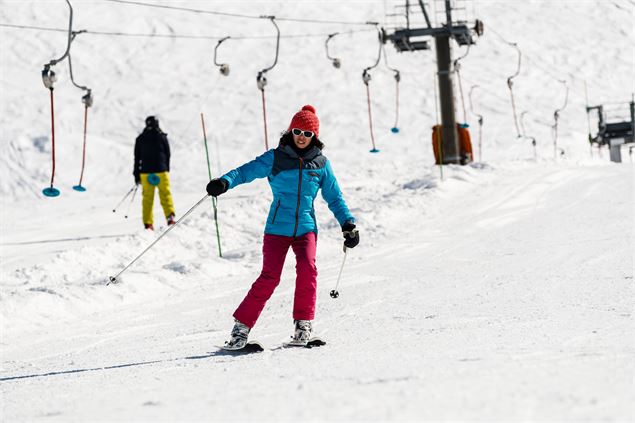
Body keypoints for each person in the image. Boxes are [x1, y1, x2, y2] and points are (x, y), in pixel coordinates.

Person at [206, 105, 360, 348]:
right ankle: (240, 330)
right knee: (270, 277)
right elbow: (246, 171)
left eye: (307, 133)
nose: (301, 137)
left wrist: (347, 223)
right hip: (277, 228)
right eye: (297, 131)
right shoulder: (276, 157)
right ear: (290, 131)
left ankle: (303, 327)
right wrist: (224, 182)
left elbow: (334, 197)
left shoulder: (321, 164)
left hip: (306, 228)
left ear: (314, 137)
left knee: (308, 271)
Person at [133, 116, 176, 230]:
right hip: (161, 171)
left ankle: (148, 224)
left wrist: (136, 175)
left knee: (147, 199)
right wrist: (166, 169)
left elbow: (137, 158)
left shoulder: (140, 138)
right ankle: (170, 217)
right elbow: (168, 154)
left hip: (146, 173)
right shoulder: (162, 137)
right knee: (165, 194)